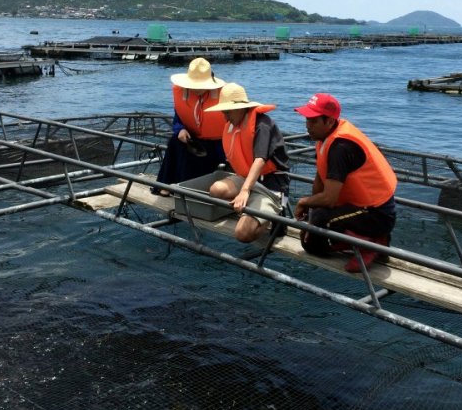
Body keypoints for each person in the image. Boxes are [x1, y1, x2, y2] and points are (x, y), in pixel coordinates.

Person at [293, 93, 397, 272]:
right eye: (307, 120)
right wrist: (310, 210)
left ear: (330, 122)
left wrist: (303, 203)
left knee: (316, 232)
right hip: (358, 208)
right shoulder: (324, 138)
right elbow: (320, 177)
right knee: (310, 240)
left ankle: (371, 243)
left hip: (376, 215)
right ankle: (360, 242)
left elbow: (330, 199)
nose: (308, 126)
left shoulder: (340, 147)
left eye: (313, 121)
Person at [205, 83, 289, 243]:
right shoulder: (232, 124)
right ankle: (251, 209)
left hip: (270, 185)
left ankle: (274, 215)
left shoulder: (262, 124)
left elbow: (260, 159)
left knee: (243, 233)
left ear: (240, 108)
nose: (225, 117)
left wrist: (244, 191)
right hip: (246, 178)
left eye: (227, 112)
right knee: (216, 190)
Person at [154, 58, 227, 194]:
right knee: (175, 141)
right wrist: (180, 129)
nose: (196, 89)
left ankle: (184, 190)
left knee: (194, 156)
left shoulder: (224, 94)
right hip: (192, 138)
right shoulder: (182, 92)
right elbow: (178, 118)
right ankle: (166, 184)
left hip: (217, 144)